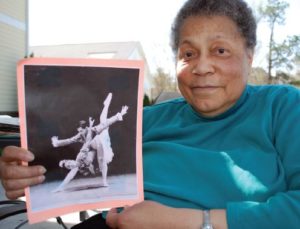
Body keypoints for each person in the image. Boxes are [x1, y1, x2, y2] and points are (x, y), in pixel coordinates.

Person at [1, 0, 300, 228]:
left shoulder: (282, 107)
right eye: (188, 54)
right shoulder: (148, 120)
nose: (202, 66)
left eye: (220, 50)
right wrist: (26, 175)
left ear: (249, 55)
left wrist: (193, 221)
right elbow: (73, 167)